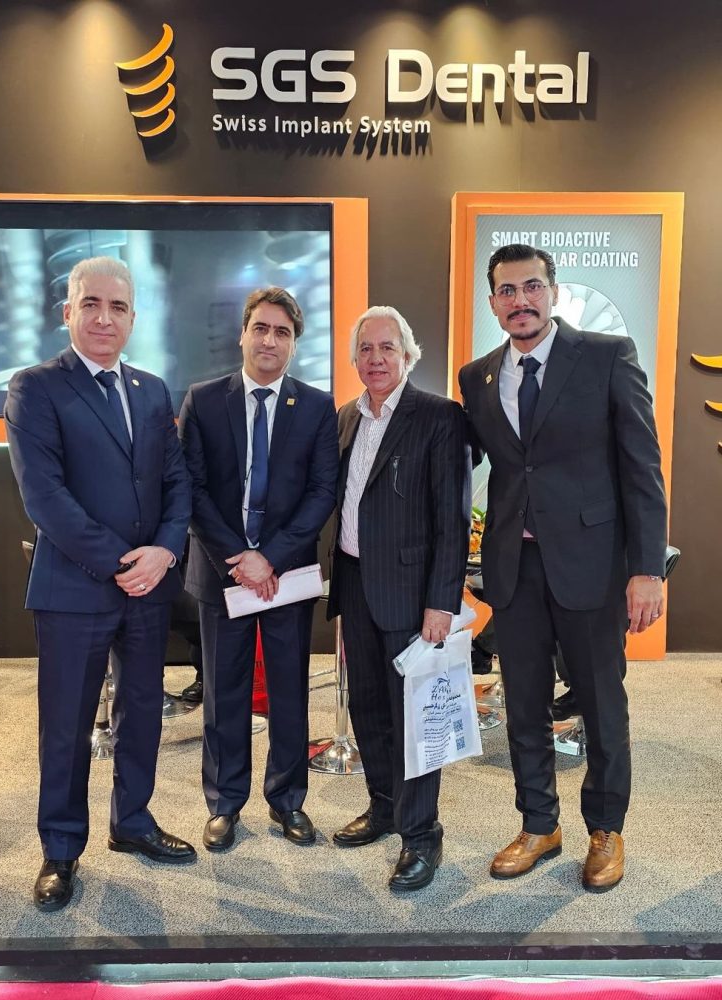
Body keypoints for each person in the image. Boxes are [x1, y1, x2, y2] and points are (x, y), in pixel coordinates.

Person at [458, 244, 668, 892]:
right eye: (507, 291)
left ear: (552, 292)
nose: (520, 300)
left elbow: (642, 467)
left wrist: (647, 568)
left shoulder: (606, 356)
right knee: (523, 702)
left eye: (532, 287)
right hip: (513, 566)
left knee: (601, 703)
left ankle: (605, 829)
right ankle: (538, 825)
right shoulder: (477, 376)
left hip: (592, 565)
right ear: (493, 303)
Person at [5, 256, 195, 913]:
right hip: (75, 589)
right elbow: (45, 499)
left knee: (141, 713)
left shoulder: (152, 391)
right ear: (68, 312)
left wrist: (165, 551)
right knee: (67, 725)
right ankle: (60, 850)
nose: (104, 318)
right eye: (91, 304)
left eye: (117, 307)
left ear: (133, 317)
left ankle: (132, 821)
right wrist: (123, 563)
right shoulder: (35, 388)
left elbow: (176, 481)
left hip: (148, 588)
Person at [178, 287, 338, 852]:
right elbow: (192, 488)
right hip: (222, 572)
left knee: (290, 691)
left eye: (282, 332)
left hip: (285, 574)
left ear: (294, 344)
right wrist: (239, 557)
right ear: (243, 334)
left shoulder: (316, 407)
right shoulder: (202, 400)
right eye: (261, 328)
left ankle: (288, 800)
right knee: (224, 692)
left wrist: (269, 556)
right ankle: (224, 804)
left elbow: (322, 492)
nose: (270, 340)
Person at [327, 306, 472, 892]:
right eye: (366, 349)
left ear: (408, 356)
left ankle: (421, 834)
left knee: (415, 716)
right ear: (355, 359)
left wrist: (442, 601)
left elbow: (452, 519)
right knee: (366, 705)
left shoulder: (439, 416)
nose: (376, 358)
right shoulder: (346, 417)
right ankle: (384, 806)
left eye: (388, 347)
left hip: (412, 595)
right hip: (355, 583)